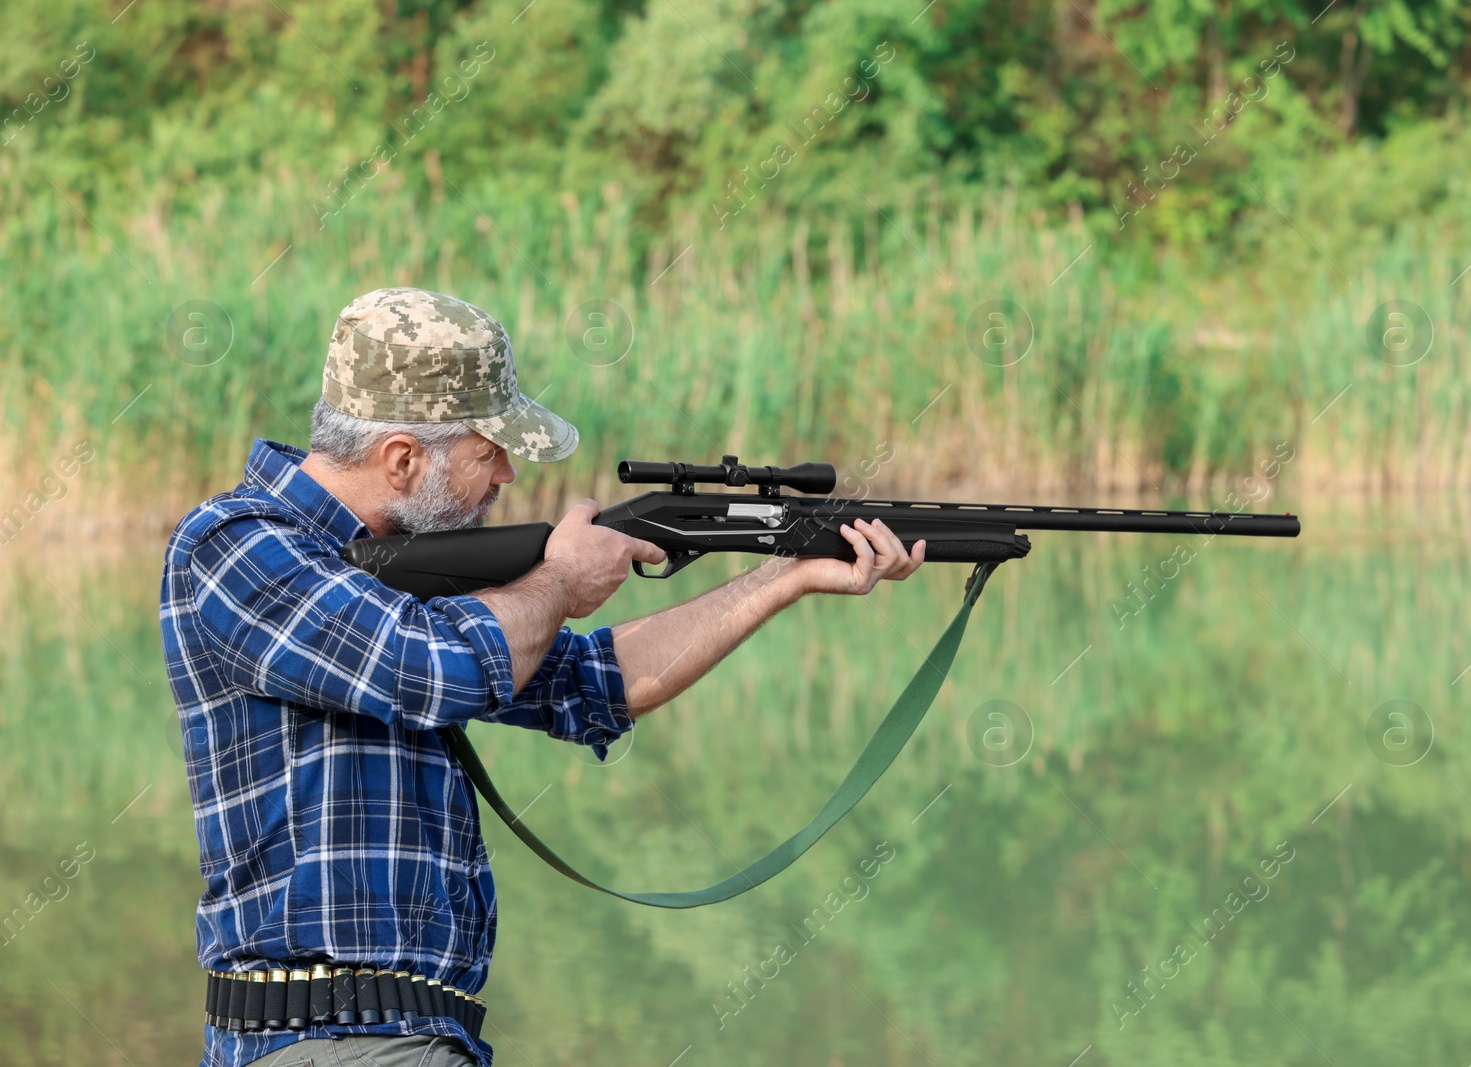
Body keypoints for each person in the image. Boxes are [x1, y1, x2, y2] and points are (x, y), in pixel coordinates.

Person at [158, 286, 925, 1067]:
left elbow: (599, 682)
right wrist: (559, 581)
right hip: (331, 1042)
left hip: (410, 1036)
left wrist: (785, 575)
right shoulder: (234, 545)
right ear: (401, 458)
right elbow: (429, 668)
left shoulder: (405, 592)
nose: (508, 476)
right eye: (488, 451)